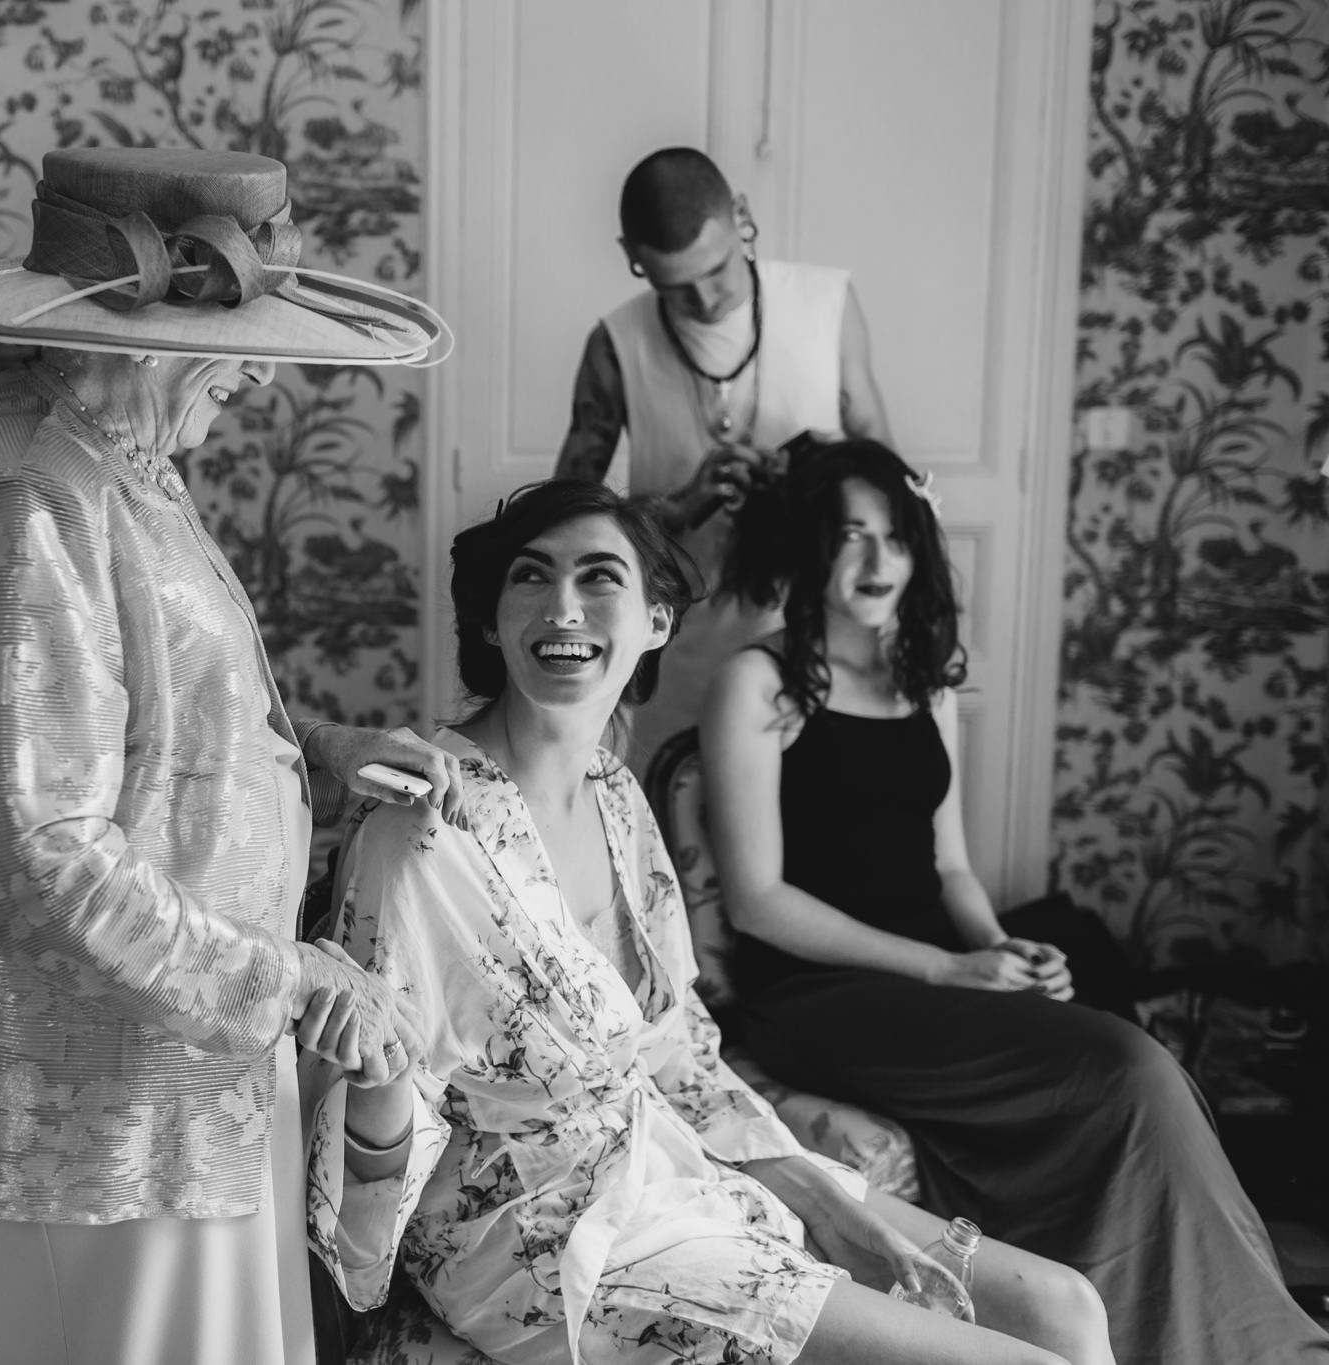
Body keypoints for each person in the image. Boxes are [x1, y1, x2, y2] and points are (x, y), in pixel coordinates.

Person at [0, 145, 458, 1365]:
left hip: (168, 1062)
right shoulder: (27, 495)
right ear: (139, 335)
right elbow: (47, 860)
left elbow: (154, 715)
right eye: (242, 339)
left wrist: (327, 749)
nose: (253, 372)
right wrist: (297, 983)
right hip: (84, 1095)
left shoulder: (113, 461)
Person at [307, 478, 1115, 1365]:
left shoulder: (617, 799)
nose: (563, 606)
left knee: (1064, 1309)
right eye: (531, 578)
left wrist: (829, 1200)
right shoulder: (421, 834)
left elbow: (679, 1056)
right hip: (536, 1242)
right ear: (494, 622)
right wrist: (375, 1077)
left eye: (600, 577)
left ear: (656, 620)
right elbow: (372, 1154)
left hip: (672, 1172)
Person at [700, 438, 1329, 1365]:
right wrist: (956, 968)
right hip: (816, 996)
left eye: (895, 537)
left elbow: (950, 866)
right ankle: (1261, 1349)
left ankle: (1187, 1332)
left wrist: (1004, 948)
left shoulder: (923, 682)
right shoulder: (757, 683)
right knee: (1128, 1064)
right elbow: (756, 902)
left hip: (940, 972)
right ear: (806, 547)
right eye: (848, 537)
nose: (877, 562)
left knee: (1125, 1056)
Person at [555, 147, 893, 776]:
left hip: (822, 646)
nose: (706, 298)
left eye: (718, 270)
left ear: (741, 217)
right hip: (673, 650)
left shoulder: (829, 306)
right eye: (675, 286)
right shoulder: (615, 344)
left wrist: (813, 478)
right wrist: (677, 507)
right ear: (632, 254)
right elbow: (562, 524)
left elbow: (885, 484)